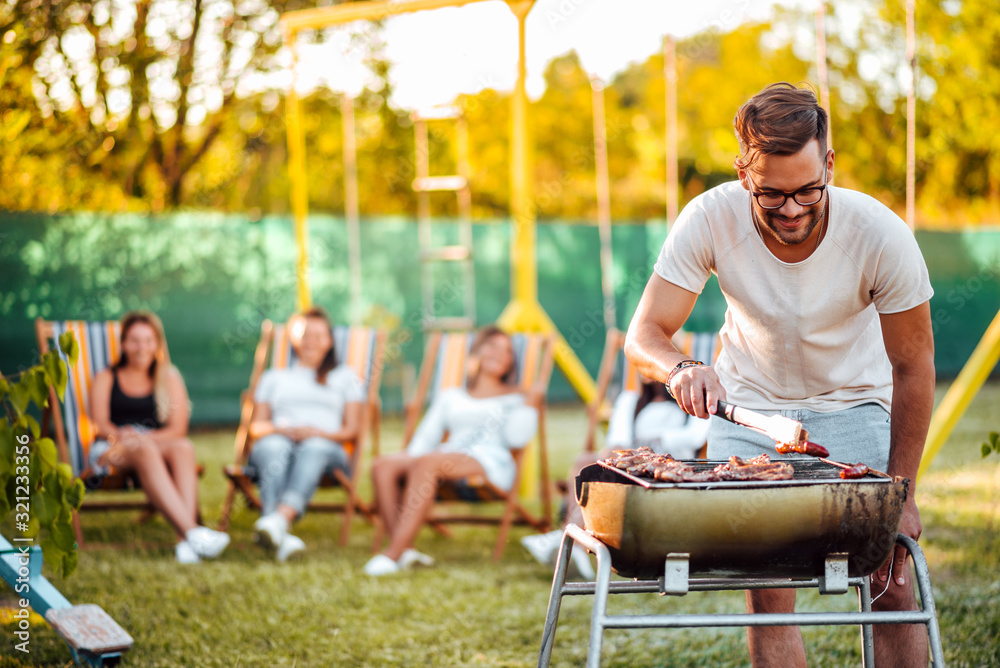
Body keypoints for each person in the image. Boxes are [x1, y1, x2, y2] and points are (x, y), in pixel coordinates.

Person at [624, 82, 935, 667]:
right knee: (767, 590)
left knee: (892, 582)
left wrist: (905, 491)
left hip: (855, 406)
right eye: (772, 193)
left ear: (830, 165)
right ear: (745, 173)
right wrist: (681, 367)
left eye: (808, 190)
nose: (791, 208)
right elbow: (644, 336)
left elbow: (913, 366)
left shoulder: (880, 235)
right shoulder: (709, 218)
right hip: (750, 410)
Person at [364, 325, 543, 576]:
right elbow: (425, 439)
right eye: (493, 346)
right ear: (477, 352)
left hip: (490, 461)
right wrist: (407, 461)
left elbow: (517, 439)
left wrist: (530, 403)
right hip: (445, 456)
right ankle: (406, 550)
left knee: (428, 462)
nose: (501, 354)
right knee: (383, 465)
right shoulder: (452, 395)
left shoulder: (516, 397)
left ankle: (392, 554)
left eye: (508, 351)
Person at [520, 370, 710, 578]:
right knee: (584, 461)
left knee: (596, 464)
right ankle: (574, 541)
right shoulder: (630, 400)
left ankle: (569, 538)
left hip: (669, 469)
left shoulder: (692, 396)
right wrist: (626, 453)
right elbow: (617, 440)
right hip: (629, 468)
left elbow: (695, 437)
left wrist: (651, 438)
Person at [90, 310, 230, 564]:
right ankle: (192, 532)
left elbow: (177, 429)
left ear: (157, 343)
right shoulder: (107, 376)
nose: (141, 347)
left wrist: (147, 438)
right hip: (112, 448)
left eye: (148, 340)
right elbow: (99, 425)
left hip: (152, 445)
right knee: (144, 448)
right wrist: (125, 436)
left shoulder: (168, 376)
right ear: (123, 344)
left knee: (183, 447)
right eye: (134, 340)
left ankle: (185, 544)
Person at [248, 307, 364, 562]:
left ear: (330, 341)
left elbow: (352, 430)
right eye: (304, 334)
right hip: (280, 440)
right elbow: (256, 427)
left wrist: (318, 433)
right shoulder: (273, 378)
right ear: (292, 338)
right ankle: (279, 531)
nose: (311, 341)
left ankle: (277, 519)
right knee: (273, 446)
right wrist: (282, 430)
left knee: (314, 447)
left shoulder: (345, 377)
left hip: (327, 449)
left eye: (318, 335)